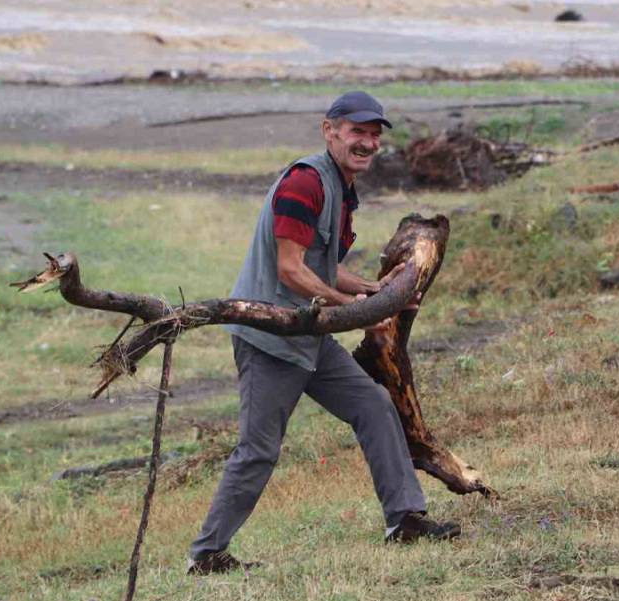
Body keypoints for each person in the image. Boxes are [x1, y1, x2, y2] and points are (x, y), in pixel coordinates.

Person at [188, 91, 460, 575]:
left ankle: (405, 521)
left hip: (309, 332)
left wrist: (377, 291)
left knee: (374, 404)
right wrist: (357, 310)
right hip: (271, 337)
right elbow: (291, 271)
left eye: (375, 135)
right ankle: (207, 555)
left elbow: (324, 268)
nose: (368, 143)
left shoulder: (340, 186)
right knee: (258, 450)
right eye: (358, 131)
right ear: (329, 130)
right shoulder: (305, 183)